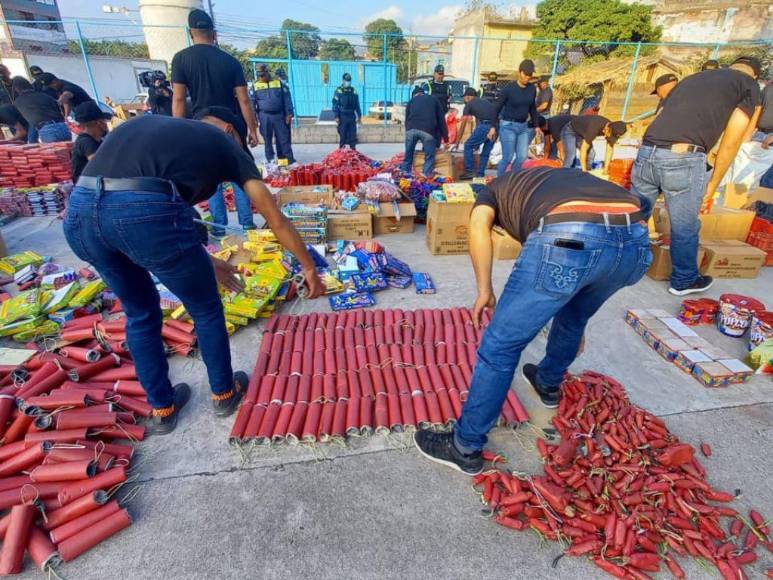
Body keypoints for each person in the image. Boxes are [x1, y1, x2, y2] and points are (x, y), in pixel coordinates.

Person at [64, 114, 324, 434]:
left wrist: (205, 261)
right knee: (205, 307)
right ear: (230, 129)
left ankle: (162, 408)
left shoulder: (151, 129)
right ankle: (224, 393)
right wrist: (309, 268)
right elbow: (275, 219)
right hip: (138, 213)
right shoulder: (227, 148)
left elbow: (163, 214)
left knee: (140, 313)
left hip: (79, 212)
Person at [413, 166, 649, 474]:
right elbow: (642, 204)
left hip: (570, 235)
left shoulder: (492, 189)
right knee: (574, 315)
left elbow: (477, 227)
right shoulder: (560, 179)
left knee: (500, 346)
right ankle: (548, 383)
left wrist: (485, 289)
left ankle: (464, 446)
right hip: (634, 243)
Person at [631, 56, 762, 296]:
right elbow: (732, 141)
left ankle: (620, 268)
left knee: (637, 216)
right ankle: (684, 279)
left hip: (647, 151)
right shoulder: (747, 85)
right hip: (682, 157)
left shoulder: (693, 78)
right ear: (754, 75)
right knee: (685, 225)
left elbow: (660, 115)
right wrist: (713, 184)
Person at [171, 9, 258, 147]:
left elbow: (179, 99)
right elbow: (244, 100)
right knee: (238, 165)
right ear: (214, 34)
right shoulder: (231, 61)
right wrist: (252, 130)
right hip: (231, 125)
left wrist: (179, 133)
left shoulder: (180, 59)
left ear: (190, 32)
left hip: (202, 127)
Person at [194, 106, 257, 237]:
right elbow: (244, 101)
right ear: (229, 129)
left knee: (214, 186)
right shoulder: (234, 124)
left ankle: (219, 229)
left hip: (205, 132)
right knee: (240, 183)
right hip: (214, 129)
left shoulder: (199, 124)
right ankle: (247, 225)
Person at [494, 59, 538, 176]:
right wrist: (492, 126)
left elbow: (532, 108)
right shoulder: (509, 89)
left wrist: (536, 125)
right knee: (507, 157)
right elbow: (497, 107)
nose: (528, 77)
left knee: (522, 157)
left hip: (523, 127)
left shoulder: (532, 89)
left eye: (530, 75)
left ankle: (512, 180)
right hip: (508, 126)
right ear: (519, 72)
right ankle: (499, 182)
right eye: (526, 74)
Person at [252, 63, 296, 164]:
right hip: (264, 116)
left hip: (279, 115)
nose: (261, 77)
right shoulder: (255, 86)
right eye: (259, 75)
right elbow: (252, 103)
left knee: (283, 138)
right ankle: (270, 159)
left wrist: (289, 113)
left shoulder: (278, 83)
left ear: (268, 72)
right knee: (267, 139)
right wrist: (253, 118)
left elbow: (287, 99)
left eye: (263, 75)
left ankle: (288, 159)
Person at [402, 86, 447, 175]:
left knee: (408, 155)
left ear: (414, 95)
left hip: (411, 130)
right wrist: (446, 137)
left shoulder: (411, 101)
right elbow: (441, 120)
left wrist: (408, 131)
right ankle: (425, 177)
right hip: (428, 131)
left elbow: (406, 119)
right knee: (429, 157)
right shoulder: (433, 99)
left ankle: (404, 175)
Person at [11, 77, 70, 143]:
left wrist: (32, 141)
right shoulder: (44, 95)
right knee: (68, 151)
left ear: (16, 88)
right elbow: (59, 110)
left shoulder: (18, 102)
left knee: (56, 152)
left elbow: (28, 122)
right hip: (63, 127)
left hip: (47, 129)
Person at [456, 87, 497, 179]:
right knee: (485, 152)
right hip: (495, 127)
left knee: (468, 145)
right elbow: (481, 119)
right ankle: (480, 175)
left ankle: (469, 172)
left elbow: (463, 125)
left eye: (464, 97)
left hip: (485, 126)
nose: (464, 100)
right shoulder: (485, 102)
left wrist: (458, 141)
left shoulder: (469, 104)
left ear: (468, 97)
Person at [560, 115, 627, 171]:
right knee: (571, 155)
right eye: (610, 135)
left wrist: (605, 169)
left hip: (582, 133)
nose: (607, 137)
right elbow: (584, 149)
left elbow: (609, 149)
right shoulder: (594, 127)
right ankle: (564, 175)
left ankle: (588, 172)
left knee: (591, 154)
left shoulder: (612, 128)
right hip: (570, 131)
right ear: (607, 129)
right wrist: (584, 171)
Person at [70, 101, 112, 182]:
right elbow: (99, 167)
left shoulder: (95, 141)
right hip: (88, 189)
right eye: (105, 121)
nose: (107, 124)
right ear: (99, 123)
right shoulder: (86, 142)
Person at [332, 72, 361, 149]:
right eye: (347, 80)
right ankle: (341, 155)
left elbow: (357, 105)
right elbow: (335, 104)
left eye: (349, 80)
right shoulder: (338, 91)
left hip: (352, 116)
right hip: (343, 116)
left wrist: (359, 116)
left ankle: (353, 154)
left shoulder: (353, 90)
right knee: (343, 137)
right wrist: (336, 116)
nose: (348, 82)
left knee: (353, 137)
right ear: (343, 80)